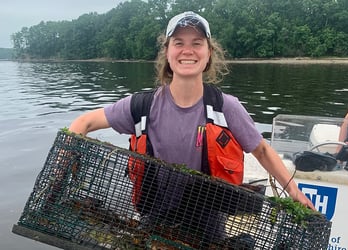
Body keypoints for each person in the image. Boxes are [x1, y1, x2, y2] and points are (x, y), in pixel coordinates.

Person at [68, 11, 315, 245]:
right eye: (178, 43)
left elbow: (261, 150)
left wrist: (295, 192)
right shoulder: (142, 105)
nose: (188, 50)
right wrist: (64, 160)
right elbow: (84, 123)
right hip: (155, 214)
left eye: (197, 43)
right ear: (167, 52)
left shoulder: (224, 107)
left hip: (209, 220)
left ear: (208, 53)